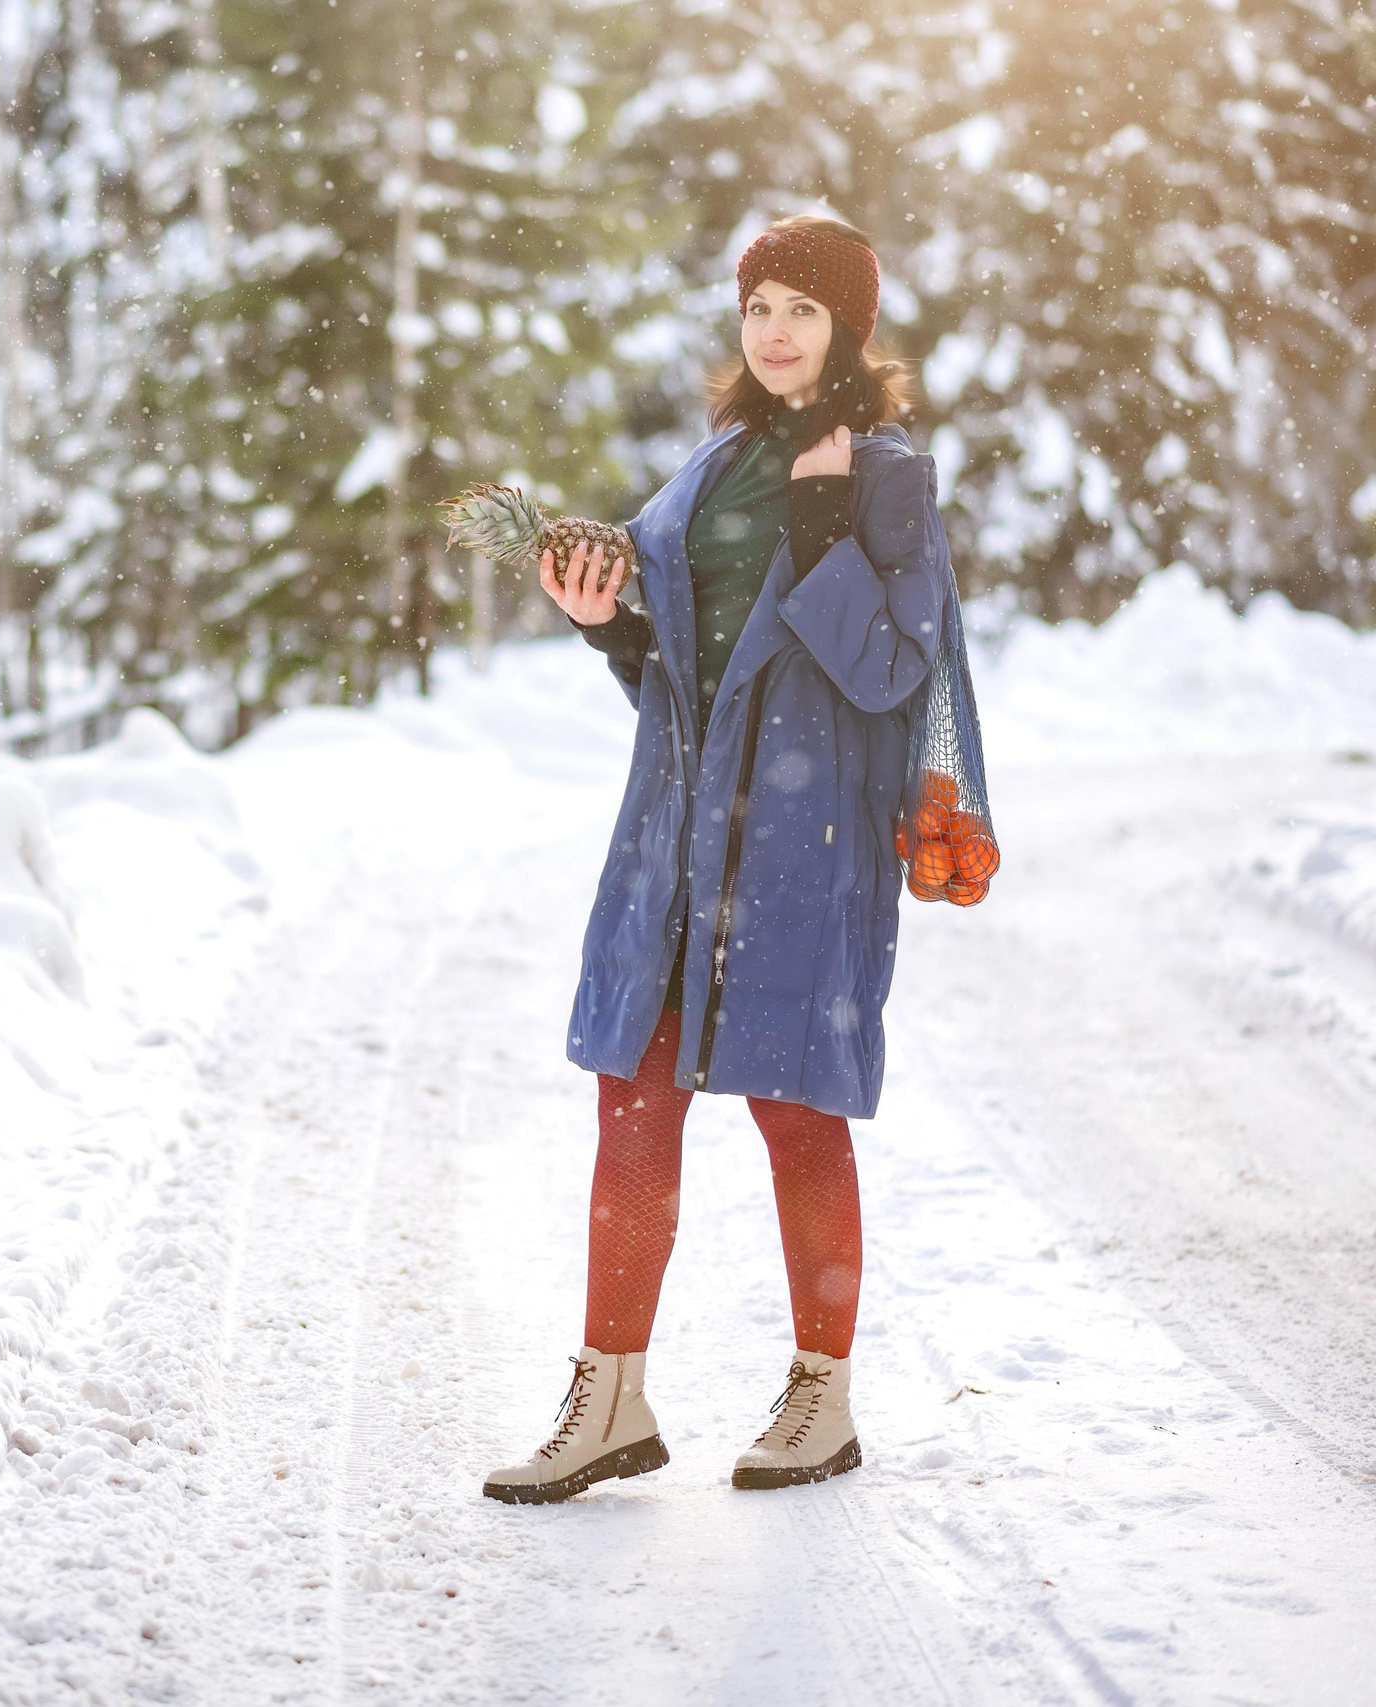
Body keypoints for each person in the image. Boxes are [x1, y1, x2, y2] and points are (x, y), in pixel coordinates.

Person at [483, 214, 948, 1504]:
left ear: (848, 326)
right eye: (757, 309)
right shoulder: (713, 466)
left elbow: (890, 671)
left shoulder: (884, 474)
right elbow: (680, 685)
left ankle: (822, 1394)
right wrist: (605, 631)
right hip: (678, 837)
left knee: (796, 1111)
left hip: (805, 843)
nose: (776, 331)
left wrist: (819, 532)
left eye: (802, 309)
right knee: (631, 1097)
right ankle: (610, 1395)